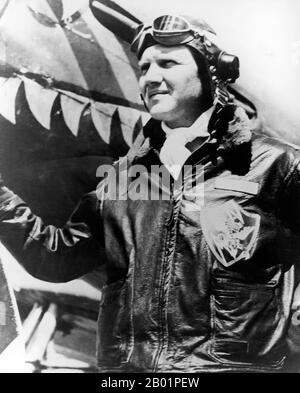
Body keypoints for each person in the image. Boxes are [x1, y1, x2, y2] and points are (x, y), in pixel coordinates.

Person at [0, 13, 300, 373]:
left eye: (168, 63)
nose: (151, 78)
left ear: (211, 72)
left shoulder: (277, 164)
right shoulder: (123, 179)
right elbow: (55, 256)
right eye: (144, 68)